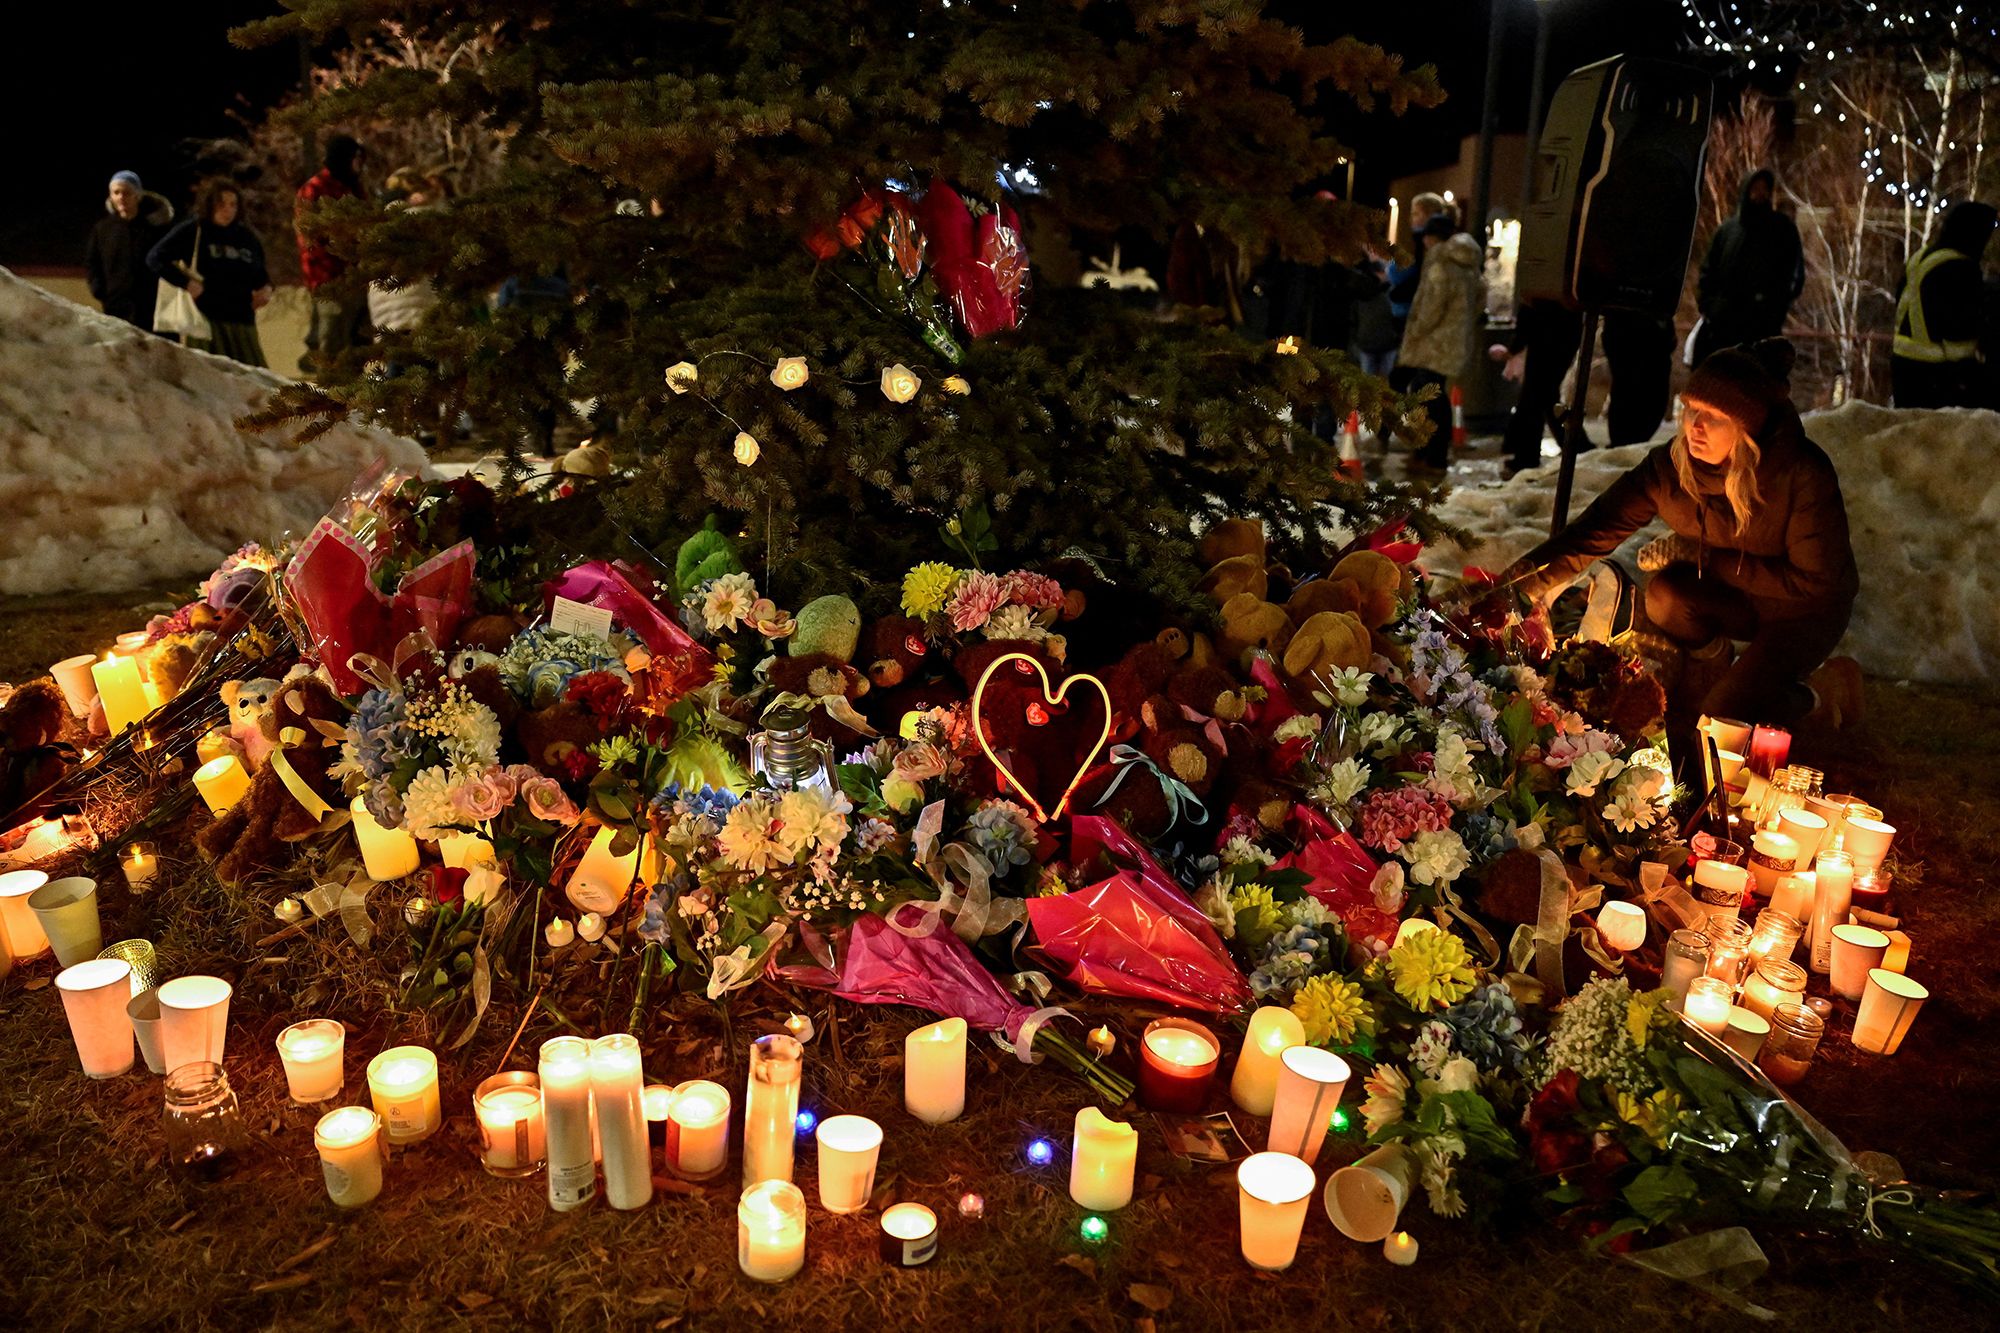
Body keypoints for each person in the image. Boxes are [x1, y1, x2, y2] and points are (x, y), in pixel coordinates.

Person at [1503, 340, 1862, 746]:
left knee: (1715, 722)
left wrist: (1708, 559)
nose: (1696, 426)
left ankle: (1817, 697)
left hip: (1804, 611)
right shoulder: (1671, 468)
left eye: (1714, 417)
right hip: (1737, 595)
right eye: (1692, 410)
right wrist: (1514, 585)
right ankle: (1716, 665)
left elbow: (1817, 582)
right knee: (1666, 596)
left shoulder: (1801, 475)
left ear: (1746, 427)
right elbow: (1595, 530)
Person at [146, 179, 273, 367]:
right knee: (211, 379)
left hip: (242, 321)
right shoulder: (195, 231)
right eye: (221, 204)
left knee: (253, 382)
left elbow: (259, 273)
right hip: (206, 321)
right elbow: (155, 258)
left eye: (233, 204)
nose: (227, 210)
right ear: (210, 205)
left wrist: (267, 289)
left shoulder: (247, 238)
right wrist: (186, 283)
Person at [1393, 214, 1484, 473]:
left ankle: (1432, 457)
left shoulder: (1440, 264)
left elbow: (1431, 309)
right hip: (1452, 343)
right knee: (1433, 393)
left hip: (1433, 343)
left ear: (1432, 238)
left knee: (1427, 395)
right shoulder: (1469, 265)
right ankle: (1429, 455)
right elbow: (1480, 300)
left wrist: (1416, 330)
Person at [1891, 200, 1998, 409]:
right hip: (1937, 372)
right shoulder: (1960, 267)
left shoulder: (1923, 257)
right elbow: (1959, 324)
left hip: (1903, 364)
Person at [1691, 169, 1804, 365]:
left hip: (1762, 332)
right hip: (1722, 329)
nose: (1759, 194)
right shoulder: (1727, 232)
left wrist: (1773, 309)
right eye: (1755, 188)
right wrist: (1711, 307)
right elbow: (1707, 272)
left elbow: (1794, 273)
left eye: (1764, 189)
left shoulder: (1782, 230)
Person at [297, 134, 370, 374]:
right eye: (355, 158)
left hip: (358, 279)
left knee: (357, 347)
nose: (359, 164)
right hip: (330, 279)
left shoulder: (355, 188)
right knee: (331, 345)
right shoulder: (316, 189)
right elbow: (312, 238)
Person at [86, 170, 175, 332]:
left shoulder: (154, 229)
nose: (121, 197)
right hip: (115, 304)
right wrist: (99, 290)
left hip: (150, 305)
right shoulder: (103, 229)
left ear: (137, 196)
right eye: (116, 193)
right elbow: (93, 263)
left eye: (127, 193)